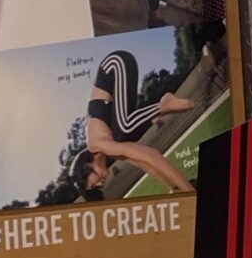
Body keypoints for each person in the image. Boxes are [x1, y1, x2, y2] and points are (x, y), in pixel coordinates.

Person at [77, 46, 194, 198]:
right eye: (96, 188)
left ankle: (164, 105)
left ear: (87, 167)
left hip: (115, 64)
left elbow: (152, 155)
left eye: (93, 184)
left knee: (124, 130)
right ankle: (162, 106)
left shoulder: (97, 144)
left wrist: (190, 192)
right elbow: (144, 163)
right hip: (119, 72)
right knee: (124, 135)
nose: (100, 184)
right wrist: (172, 188)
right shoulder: (109, 150)